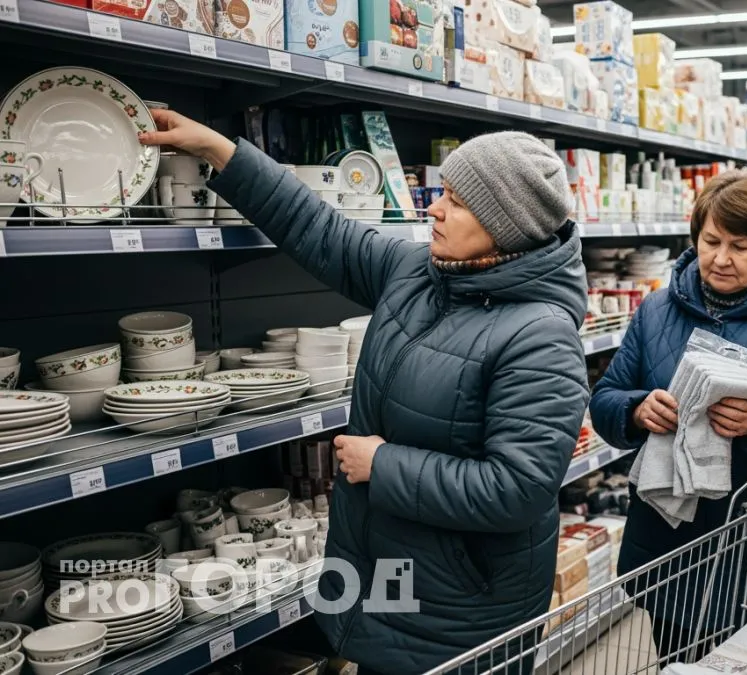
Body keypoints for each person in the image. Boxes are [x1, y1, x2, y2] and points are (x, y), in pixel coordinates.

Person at [138, 113, 590, 674]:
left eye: (458, 201)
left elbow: (517, 490)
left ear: (508, 225)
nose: (435, 208)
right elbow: (317, 228)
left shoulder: (541, 337)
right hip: (390, 577)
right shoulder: (419, 274)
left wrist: (384, 464)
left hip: (460, 611)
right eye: (442, 192)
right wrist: (220, 151)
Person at [589, 168, 747, 663]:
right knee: (677, 657)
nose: (720, 259)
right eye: (710, 241)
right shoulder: (656, 310)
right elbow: (605, 398)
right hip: (669, 540)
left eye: (740, 246)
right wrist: (638, 410)